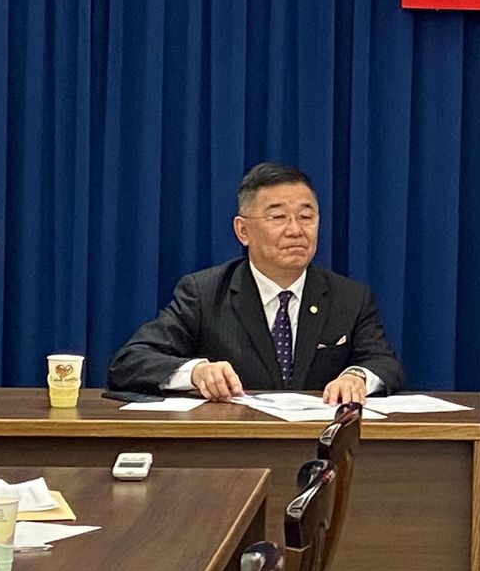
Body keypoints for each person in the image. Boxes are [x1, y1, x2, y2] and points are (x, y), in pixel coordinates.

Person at [108, 162, 404, 404]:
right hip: (235, 442)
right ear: (243, 231)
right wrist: (196, 372)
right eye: (278, 217)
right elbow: (130, 362)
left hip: (319, 442)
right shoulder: (205, 293)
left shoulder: (350, 297)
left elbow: (385, 363)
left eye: (306, 216)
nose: (295, 230)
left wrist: (357, 376)